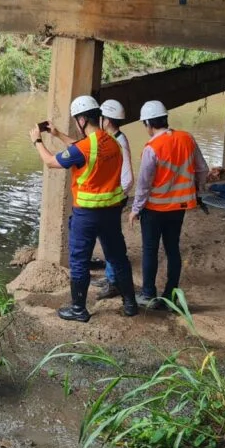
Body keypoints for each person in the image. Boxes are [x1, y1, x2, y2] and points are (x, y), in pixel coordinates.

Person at [31, 96, 139, 321]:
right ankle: (130, 303)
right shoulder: (113, 142)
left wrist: (37, 141)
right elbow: (82, 150)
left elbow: (52, 162)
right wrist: (58, 134)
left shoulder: (86, 147)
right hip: (110, 212)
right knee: (118, 257)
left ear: (81, 119)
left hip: (87, 215)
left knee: (79, 260)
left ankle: (79, 309)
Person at [129, 100, 209, 310]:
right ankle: (171, 293)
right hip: (179, 207)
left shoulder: (152, 148)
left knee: (150, 250)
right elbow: (202, 169)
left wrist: (135, 210)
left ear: (148, 123)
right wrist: (198, 191)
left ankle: (148, 294)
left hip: (154, 209)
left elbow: (144, 185)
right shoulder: (187, 139)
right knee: (172, 248)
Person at [91, 99, 133, 301]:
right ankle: (110, 278)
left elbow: (127, 178)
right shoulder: (113, 138)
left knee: (111, 241)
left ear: (106, 120)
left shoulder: (119, 142)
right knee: (106, 239)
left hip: (114, 200)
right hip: (112, 198)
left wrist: (115, 197)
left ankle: (113, 282)